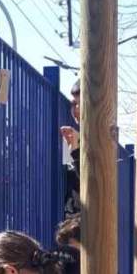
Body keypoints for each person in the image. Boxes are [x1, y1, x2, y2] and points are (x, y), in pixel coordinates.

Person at [59, 80, 82, 219]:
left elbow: (89, 183)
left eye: (81, 103)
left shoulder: (102, 141)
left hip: (87, 223)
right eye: (74, 104)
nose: (76, 109)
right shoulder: (74, 137)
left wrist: (76, 151)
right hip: (71, 221)